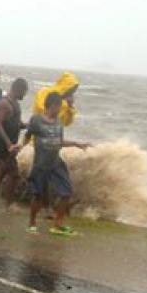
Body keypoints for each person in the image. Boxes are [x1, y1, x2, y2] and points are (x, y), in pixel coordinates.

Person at [23, 92, 90, 236]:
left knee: (67, 191)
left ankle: (58, 224)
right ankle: (32, 223)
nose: (60, 109)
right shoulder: (36, 120)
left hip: (56, 162)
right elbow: (28, 136)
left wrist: (77, 144)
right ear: (52, 105)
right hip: (41, 163)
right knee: (38, 195)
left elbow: (59, 141)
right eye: (59, 106)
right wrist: (20, 147)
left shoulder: (58, 121)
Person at [0, 78, 28, 211]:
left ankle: (2, 203)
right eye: (24, 92)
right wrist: (9, 144)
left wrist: (28, 125)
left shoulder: (15, 104)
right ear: (18, 89)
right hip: (1, 145)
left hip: (9, 146)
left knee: (8, 174)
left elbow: (15, 123)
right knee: (3, 173)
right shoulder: (4, 103)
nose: (24, 95)